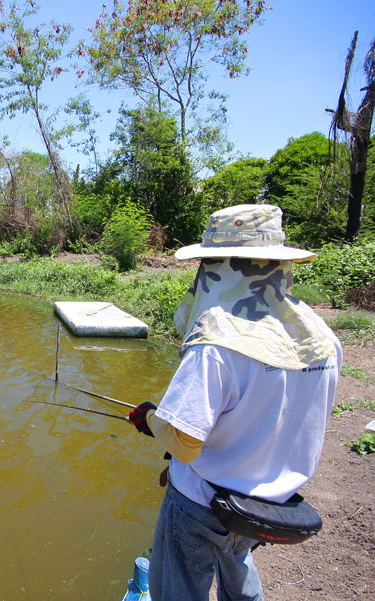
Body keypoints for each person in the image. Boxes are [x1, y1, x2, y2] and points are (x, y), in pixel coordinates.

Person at [127, 204, 343, 601]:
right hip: (265, 506)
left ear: (218, 267)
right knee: (238, 565)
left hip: (202, 502)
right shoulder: (322, 337)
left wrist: (151, 418)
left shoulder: (217, 341)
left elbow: (184, 442)